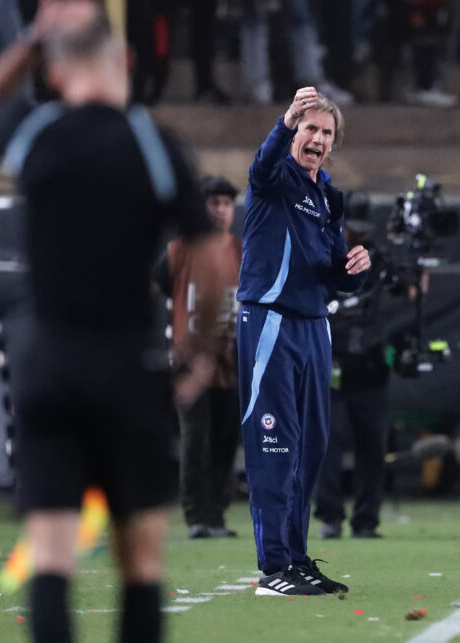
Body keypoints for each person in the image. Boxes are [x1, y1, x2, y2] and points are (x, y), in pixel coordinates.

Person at [0, 0, 224, 642]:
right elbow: (212, 259)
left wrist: (29, 41)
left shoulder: (39, 132)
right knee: (140, 560)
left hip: (47, 362)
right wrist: (198, 350)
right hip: (129, 363)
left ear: (53, 72)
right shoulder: (152, 143)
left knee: (51, 552)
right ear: (125, 60)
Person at [238, 86, 371, 597]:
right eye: (309, 128)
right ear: (296, 131)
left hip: (314, 326)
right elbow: (260, 167)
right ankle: (273, 567)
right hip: (270, 321)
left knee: (309, 449)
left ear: (333, 143)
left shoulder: (327, 198)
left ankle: (296, 559)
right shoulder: (274, 178)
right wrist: (284, 120)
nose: (316, 138)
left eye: (326, 132)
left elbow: (330, 273)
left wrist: (355, 268)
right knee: (275, 445)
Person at [155, 176, 243, 539]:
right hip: (190, 364)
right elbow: (155, 288)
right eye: (213, 203)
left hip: (232, 361)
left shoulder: (242, 252)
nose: (220, 210)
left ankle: (216, 514)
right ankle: (196, 515)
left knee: (225, 440)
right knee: (195, 440)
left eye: (226, 203)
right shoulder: (179, 252)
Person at [315, 192, 395, 540]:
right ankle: (330, 516)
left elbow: (403, 287)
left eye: (361, 231)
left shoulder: (378, 260)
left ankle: (366, 519)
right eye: (350, 229)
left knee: (372, 446)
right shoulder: (322, 255)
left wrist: (414, 280)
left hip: (369, 367)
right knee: (327, 444)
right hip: (331, 365)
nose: (355, 236)